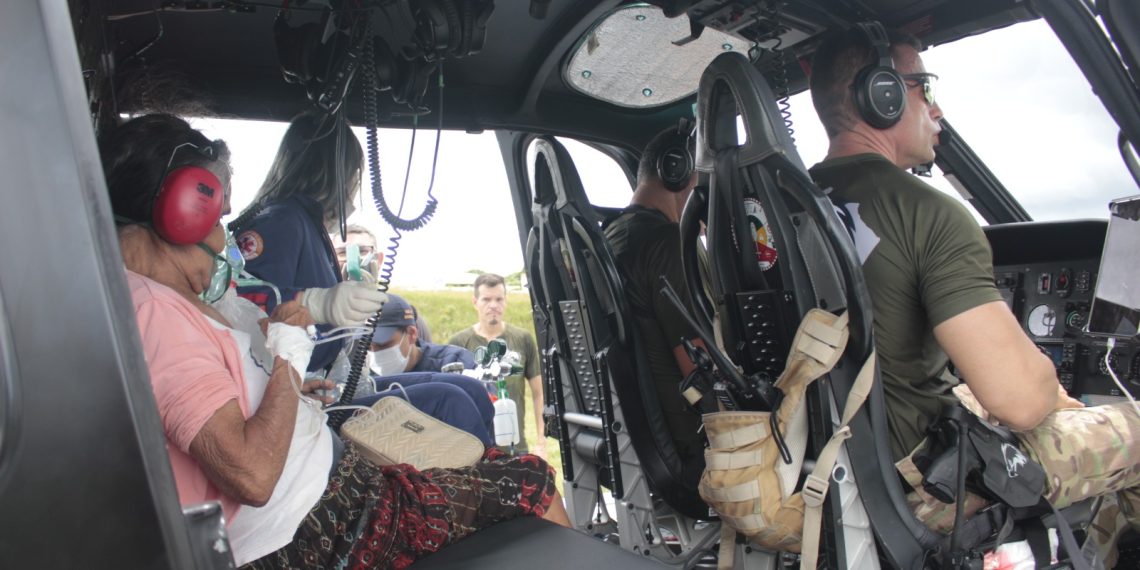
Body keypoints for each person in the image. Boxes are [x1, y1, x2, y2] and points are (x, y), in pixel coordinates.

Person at [101, 114, 569, 568]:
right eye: (216, 217)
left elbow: (221, 381)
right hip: (320, 523)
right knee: (529, 479)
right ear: (182, 212)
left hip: (328, 488)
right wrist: (293, 344)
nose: (225, 238)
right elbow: (252, 473)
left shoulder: (167, 300)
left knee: (477, 436)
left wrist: (283, 381)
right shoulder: (157, 311)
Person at [806, 24, 1140, 564]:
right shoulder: (927, 213)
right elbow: (1023, 403)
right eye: (926, 89)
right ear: (883, 94)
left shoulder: (781, 211)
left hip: (815, 475)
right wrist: (1049, 385)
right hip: (918, 486)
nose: (937, 111)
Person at [231, 110, 385, 373]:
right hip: (285, 384)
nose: (354, 188)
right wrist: (317, 304)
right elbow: (241, 306)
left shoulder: (306, 224)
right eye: (354, 176)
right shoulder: (282, 222)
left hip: (313, 380)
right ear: (337, 173)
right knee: (451, 397)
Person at [602, 125, 707, 465]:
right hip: (695, 445)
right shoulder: (669, 245)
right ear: (676, 170)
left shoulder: (613, 237)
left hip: (639, 442)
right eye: (708, 177)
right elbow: (701, 368)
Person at [369, 294, 493, 439]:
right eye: (368, 347)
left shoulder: (458, 364)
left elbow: (489, 416)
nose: (375, 353)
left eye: (383, 345)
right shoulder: (363, 380)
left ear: (411, 334)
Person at [448, 274, 546, 456]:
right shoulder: (459, 343)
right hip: (475, 450)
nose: (493, 305)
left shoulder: (522, 339)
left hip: (515, 446)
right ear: (475, 302)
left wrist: (541, 442)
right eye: (486, 299)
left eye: (499, 299)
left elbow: (539, 393)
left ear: (506, 301)